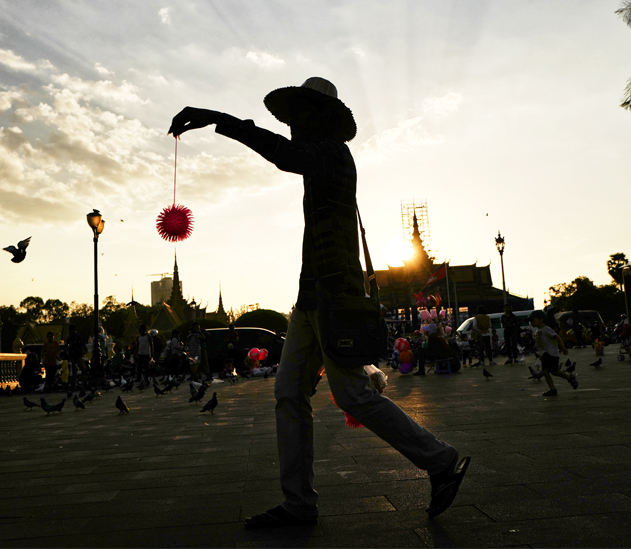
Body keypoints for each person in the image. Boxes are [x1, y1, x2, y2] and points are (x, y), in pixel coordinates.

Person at [169, 76, 469, 527]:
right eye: (291, 119)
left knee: (351, 395)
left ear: (322, 120)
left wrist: (220, 119)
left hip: (334, 296)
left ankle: (440, 460)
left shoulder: (330, 155)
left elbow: (285, 155)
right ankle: (298, 503)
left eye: (301, 116)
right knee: (288, 392)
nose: (293, 126)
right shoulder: (322, 158)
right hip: (311, 296)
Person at [530, 310, 578, 397]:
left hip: (551, 354)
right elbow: (540, 345)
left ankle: (553, 390)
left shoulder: (546, 329)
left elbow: (557, 337)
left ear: (541, 319)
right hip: (546, 354)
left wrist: (563, 347)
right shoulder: (537, 332)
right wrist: (540, 354)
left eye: (533, 320)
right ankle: (570, 378)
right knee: (554, 372)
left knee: (546, 371)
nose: (531, 322)